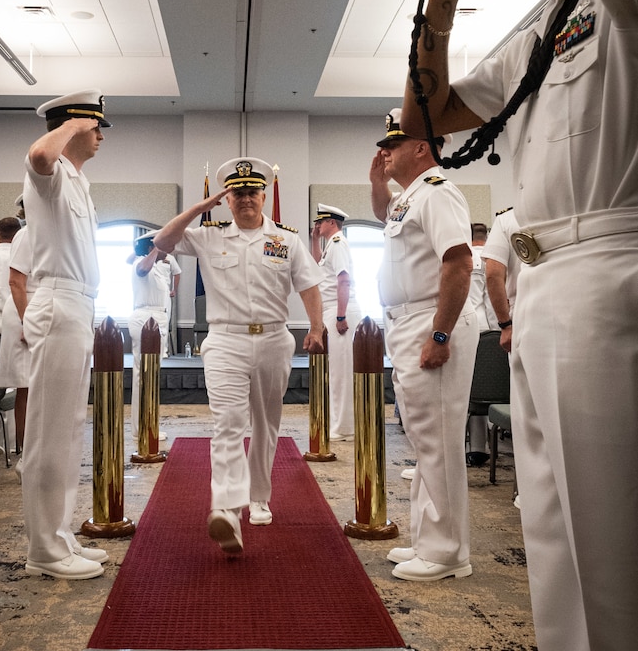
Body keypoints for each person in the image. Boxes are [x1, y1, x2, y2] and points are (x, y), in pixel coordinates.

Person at [398, 0, 638, 651]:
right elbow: (427, 117)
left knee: (616, 558)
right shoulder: (546, 21)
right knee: (562, 557)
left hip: (611, 266)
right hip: (541, 288)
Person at [151, 157, 324, 555]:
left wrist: (315, 327)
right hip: (225, 340)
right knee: (228, 421)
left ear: (264, 196)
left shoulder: (286, 240)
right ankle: (227, 508)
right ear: (227, 200)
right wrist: (198, 209)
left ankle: (258, 495)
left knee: (266, 422)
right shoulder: (208, 237)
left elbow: (309, 285)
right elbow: (161, 242)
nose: (246, 199)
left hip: (274, 338)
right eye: (238, 193)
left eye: (252, 192)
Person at [370, 110, 478, 582]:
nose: (385, 150)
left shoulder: (438, 192)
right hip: (407, 321)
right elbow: (385, 216)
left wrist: (440, 333)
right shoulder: (408, 198)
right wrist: (378, 181)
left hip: (430, 319)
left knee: (439, 441)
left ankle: (449, 552)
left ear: (422, 147)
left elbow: (458, 262)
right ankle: (429, 539)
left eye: (395, 143)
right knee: (423, 436)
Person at [20, 90, 112, 580]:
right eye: (95, 127)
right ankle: (44, 550)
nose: (100, 136)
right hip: (58, 304)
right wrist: (72, 125)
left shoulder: (78, 181)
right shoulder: (49, 172)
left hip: (79, 305)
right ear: (75, 126)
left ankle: (60, 535)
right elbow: (38, 154)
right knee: (49, 432)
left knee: (70, 428)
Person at [310, 203, 361, 440]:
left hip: (341, 311)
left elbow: (343, 280)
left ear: (332, 223)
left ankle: (345, 428)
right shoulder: (330, 246)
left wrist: (340, 316)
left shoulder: (339, 244)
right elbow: (319, 270)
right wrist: (314, 242)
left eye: (320, 222)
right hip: (332, 310)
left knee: (342, 372)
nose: (317, 225)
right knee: (335, 371)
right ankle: (340, 424)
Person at [0, 202, 34, 465]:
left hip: (37, 309)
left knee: (37, 386)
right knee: (25, 385)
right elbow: (15, 281)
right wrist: (27, 322)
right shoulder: (25, 235)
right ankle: (24, 453)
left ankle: (35, 451)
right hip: (24, 310)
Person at [127, 234, 176, 442]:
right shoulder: (142, 262)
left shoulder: (160, 266)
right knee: (145, 375)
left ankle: (146, 424)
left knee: (150, 375)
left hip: (157, 317)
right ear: (151, 246)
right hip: (147, 318)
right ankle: (144, 426)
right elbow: (141, 270)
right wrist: (157, 248)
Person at [466, 221, 498, 467]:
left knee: (468, 392)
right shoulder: (492, 258)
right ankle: (482, 447)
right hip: (489, 330)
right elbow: (492, 302)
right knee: (488, 389)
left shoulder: (465, 256)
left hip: (466, 328)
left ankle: (468, 447)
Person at [482, 207, 521, 355]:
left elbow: (493, 274)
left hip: (521, 312)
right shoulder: (568, 213)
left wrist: (505, 324)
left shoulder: (507, 219)